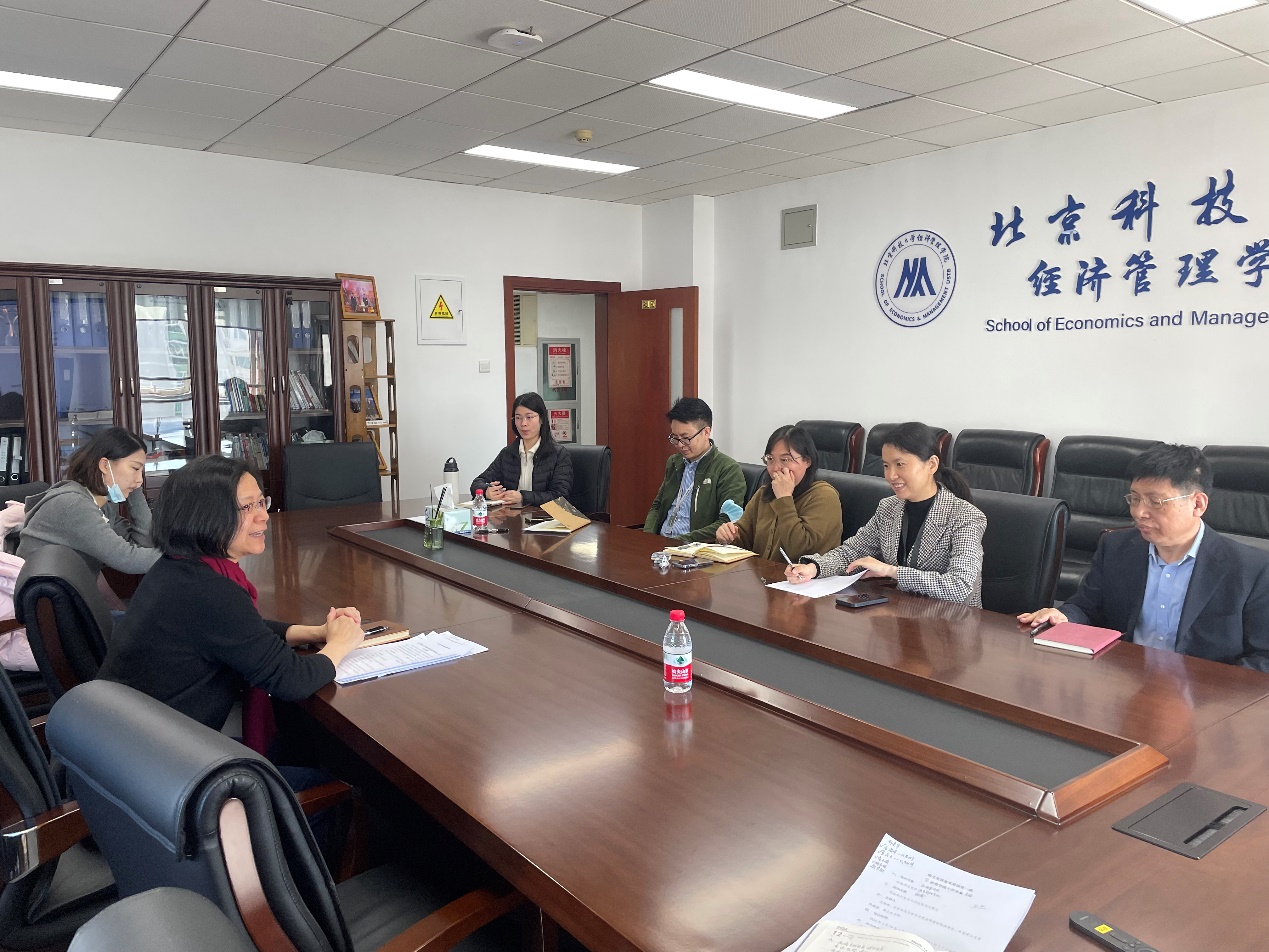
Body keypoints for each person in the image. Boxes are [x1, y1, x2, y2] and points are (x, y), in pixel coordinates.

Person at [98, 455, 366, 732]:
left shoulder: (178, 567)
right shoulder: (208, 591)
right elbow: (291, 680)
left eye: (261, 502)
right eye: (247, 507)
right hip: (164, 748)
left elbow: (244, 630)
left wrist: (317, 632)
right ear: (204, 516)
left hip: (127, 733)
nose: (263, 516)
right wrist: (340, 644)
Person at [1019, 443, 1269, 671]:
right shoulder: (1116, 548)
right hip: (1126, 681)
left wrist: (1209, 693)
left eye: (1155, 502)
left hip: (1202, 696)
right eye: (1135, 498)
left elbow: (1263, 657)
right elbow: (1086, 607)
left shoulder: (1251, 569)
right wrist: (1065, 616)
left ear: (1198, 505)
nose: (1139, 512)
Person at [784, 422, 986, 606]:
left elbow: (961, 587)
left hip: (952, 624)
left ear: (931, 464)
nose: (891, 476)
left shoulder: (965, 516)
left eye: (900, 464)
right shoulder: (888, 508)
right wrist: (814, 568)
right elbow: (851, 552)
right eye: (886, 466)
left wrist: (891, 571)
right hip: (902, 616)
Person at [17, 427, 160, 576]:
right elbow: (128, 559)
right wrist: (177, 556)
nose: (140, 479)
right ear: (105, 465)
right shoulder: (74, 504)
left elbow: (144, 543)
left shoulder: (101, 505)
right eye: (135, 468)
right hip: (42, 589)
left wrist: (134, 489)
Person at [716, 425, 841, 562]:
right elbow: (744, 539)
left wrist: (784, 498)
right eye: (770, 459)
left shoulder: (825, 496)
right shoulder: (764, 493)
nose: (776, 468)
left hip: (798, 575)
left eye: (785, 460)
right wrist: (729, 536)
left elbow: (801, 551)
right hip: (762, 573)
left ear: (807, 461)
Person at [644, 398, 746, 543]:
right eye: (675, 438)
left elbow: (727, 522)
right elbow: (658, 505)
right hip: (661, 543)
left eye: (685, 438)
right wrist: (647, 538)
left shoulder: (727, 469)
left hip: (692, 548)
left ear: (706, 432)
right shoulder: (674, 462)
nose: (680, 445)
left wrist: (679, 542)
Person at [471, 392, 573, 507]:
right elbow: (477, 483)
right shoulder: (508, 453)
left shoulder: (559, 455)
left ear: (542, 419)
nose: (523, 424)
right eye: (518, 418)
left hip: (545, 516)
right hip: (513, 516)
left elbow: (560, 497)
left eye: (529, 417)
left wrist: (523, 497)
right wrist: (486, 491)